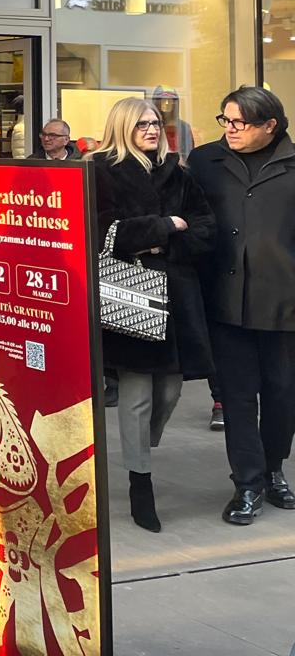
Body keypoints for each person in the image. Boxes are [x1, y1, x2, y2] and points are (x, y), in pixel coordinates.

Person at [89, 96, 215, 532]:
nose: (151, 129)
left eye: (155, 123)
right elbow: (102, 230)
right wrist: (165, 226)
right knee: (138, 394)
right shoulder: (100, 171)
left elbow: (206, 227)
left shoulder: (177, 172)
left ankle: (142, 446)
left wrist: (168, 242)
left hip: (178, 295)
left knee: (170, 392)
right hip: (131, 294)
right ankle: (139, 480)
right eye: (142, 123)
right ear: (123, 126)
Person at [191, 86, 295, 525]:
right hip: (225, 302)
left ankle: (273, 470)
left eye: (239, 122)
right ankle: (247, 483)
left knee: (282, 395)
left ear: (269, 125)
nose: (230, 129)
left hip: (285, 304)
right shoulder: (205, 162)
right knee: (236, 398)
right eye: (225, 119)